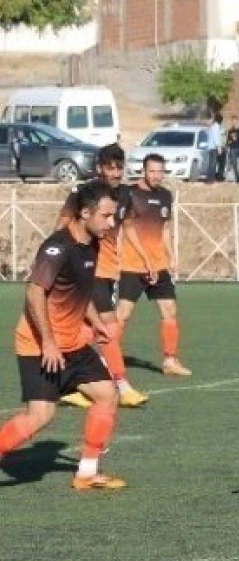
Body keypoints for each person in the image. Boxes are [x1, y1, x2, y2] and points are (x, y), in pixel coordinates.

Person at [0, 181, 126, 490]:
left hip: (73, 343)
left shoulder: (92, 244)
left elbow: (79, 292)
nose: (111, 223)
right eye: (106, 216)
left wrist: (95, 321)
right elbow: (34, 292)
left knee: (107, 395)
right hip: (41, 346)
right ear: (85, 213)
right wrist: (48, 342)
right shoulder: (58, 247)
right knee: (39, 416)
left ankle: (86, 473)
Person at [55, 145, 148, 409]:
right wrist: (56, 259)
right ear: (99, 168)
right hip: (86, 269)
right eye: (111, 167)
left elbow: (127, 228)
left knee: (83, 330)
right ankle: (122, 385)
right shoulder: (85, 194)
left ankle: (67, 385)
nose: (116, 172)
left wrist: (143, 257)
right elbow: (61, 225)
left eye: (120, 167)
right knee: (108, 327)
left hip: (108, 270)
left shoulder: (125, 195)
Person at [116, 154, 192, 377]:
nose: (157, 176)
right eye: (152, 171)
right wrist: (145, 259)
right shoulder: (129, 193)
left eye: (160, 171)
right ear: (144, 171)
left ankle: (170, 360)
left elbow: (165, 229)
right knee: (124, 313)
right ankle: (107, 358)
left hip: (159, 266)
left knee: (169, 309)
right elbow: (128, 229)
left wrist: (171, 256)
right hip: (133, 265)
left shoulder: (166, 195)